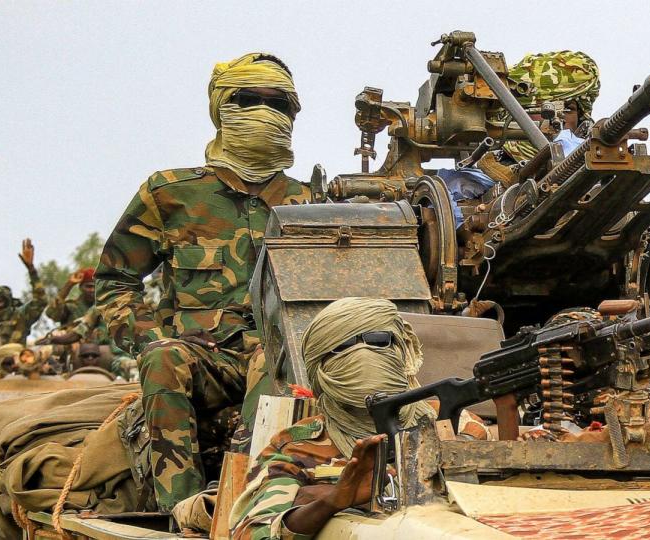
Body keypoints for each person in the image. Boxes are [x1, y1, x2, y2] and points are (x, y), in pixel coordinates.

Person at [94, 52, 310, 512]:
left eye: (280, 104)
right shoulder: (170, 193)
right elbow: (116, 280)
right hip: (201, 360)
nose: (266, 114)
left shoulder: (312, 203)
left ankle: (250, 499)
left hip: (280, 358)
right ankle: (186, 510)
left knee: (276, 358)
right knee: (162, 358)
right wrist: (151, 337)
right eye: (250, 100)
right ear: (222, 108)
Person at [229, 297, 489, 538]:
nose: (364, 355)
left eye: (378, 341)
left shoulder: (451, 421)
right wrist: (333, 502)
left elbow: (507, 499)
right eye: (343, 348)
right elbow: (253, 532)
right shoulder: (296, 446)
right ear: (320, 365)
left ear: (400, 348)